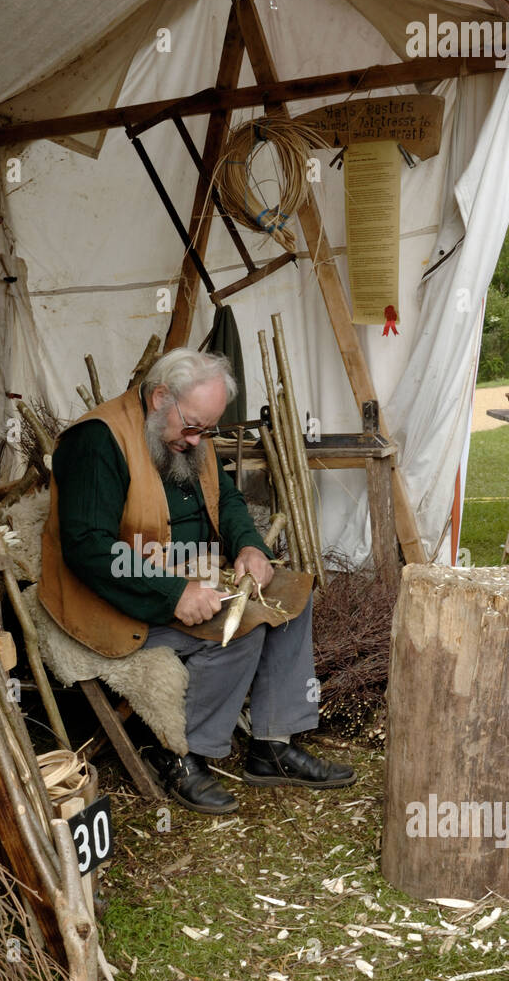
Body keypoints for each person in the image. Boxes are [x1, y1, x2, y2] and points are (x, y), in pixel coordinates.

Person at [38, 348, 354, 814]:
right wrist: (173, 594)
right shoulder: (96, 442)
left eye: (207, 428)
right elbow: (87, 547)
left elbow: (226, 500)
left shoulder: (188, 434)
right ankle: (183, 755)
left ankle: (270, 746)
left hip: (186, 570)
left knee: (291, 597)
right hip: (110, 594)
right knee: (238, 627)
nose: (196, 439)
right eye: (192, 426)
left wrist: (250, 547)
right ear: (159, 397)